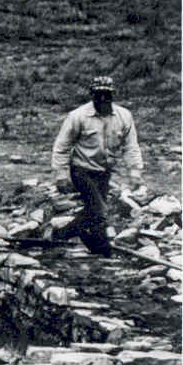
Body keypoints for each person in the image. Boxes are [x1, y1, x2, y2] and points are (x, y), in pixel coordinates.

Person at [50, 75, 145, 256]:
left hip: (104, 173)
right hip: (81, 170)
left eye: (106, 95)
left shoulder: (124, 116)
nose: (102, 98)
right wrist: (61, 174)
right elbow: (62, 146)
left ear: (112, 95)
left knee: (94, 212)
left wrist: (135, 171)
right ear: (92, 94)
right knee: (100, 211)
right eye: (98, 94)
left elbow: (131, 146)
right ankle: (69, 235)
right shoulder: (78, 116)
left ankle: (94, 246)